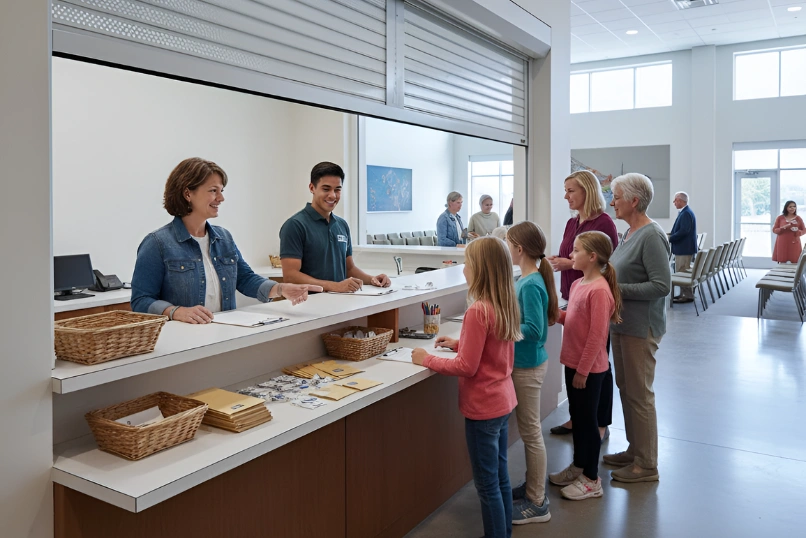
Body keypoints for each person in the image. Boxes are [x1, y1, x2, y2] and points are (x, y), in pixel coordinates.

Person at [411, 237, 520, 538]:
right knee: (500, 478)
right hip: (502, 401)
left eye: (467, 264)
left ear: (481, 269)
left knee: (486, 486)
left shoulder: (477, 311)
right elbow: (492, 350)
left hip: (482, 408)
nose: (463, 270)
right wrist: (460, 343)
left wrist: (427, 359)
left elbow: (466, 367)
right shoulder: (503, 303)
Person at [131, 158, 318, 323]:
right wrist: (175, 312)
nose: (221, 198)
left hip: (223, 335)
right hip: (182, 342)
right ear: (188, 194)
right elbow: (141, 301)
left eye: (221, 191)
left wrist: (281, 289)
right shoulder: (157, 243)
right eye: (213, 191)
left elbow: (245, 279)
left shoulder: (224, 238)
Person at [605, 173, 670, 483]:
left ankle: (647, 464)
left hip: (641, 327)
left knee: (640, 394)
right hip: (621, 323)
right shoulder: (628, 232)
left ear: (633, 201)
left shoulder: (651, 235)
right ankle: (635, 449)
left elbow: (661, 286)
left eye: (616, 196)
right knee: (626, 389)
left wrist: (617, 289)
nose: (612, 201)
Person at [549, 231, 621, 500]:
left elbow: (597, 336)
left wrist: (582, 370)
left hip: (589, 370)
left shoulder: (600, 291)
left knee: (589, 423)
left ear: (592, 257)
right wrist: (557, 315)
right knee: (578, 419)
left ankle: (592, 478)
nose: (571, 255)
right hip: (573, 363)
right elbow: (576, 321)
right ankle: (578, 465)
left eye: (576, 251)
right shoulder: (579, 284)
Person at [547, 170, 618, 439]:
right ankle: (577, 418)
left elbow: (604, 262)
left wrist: (568, 263)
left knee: (598, 364)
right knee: (577, 362)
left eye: (570, 191)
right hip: (572, 294)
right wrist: (562, 260)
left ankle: (600, 422)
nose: (566, 196)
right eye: (565, 190)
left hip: (593, 298)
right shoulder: (571, 223)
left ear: (587, 191)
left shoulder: (604, 223)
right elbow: (571, 254)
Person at [506, 222, 558, 524]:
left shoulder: (531, 284)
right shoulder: (525, 279)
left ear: (519, 248)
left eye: (509, 243)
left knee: (530, 434)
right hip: (523, 364)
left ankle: (537, 501)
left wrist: (503, 328)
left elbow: (536, 330)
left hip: (529, 367)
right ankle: (532, 486)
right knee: (529, 432)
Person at [280, 162, 391, 292]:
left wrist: (372, 279)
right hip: (308, 306)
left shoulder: (342, 225)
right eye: (326, 189)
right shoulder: (295, 225)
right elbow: (290, 276)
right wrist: (334, 286)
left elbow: (349, 269)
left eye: (337, 190)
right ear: (312, 188)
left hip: (340, 304)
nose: (332, 195)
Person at [669, 192, 697, 303]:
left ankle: (687, 295)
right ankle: (683, 294)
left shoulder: (686, 213)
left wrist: (671, 238)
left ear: (680, 200)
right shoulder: (685, 212)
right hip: (683, 248)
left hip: (684, 249)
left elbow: (684, 231)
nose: (674, 202)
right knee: (681, 270)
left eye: (675, 200)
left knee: (682, 270)